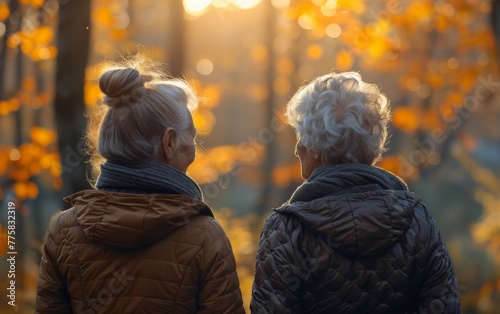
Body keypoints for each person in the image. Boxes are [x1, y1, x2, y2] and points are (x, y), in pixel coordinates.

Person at [35, 55, 244, 313]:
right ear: (169, 143)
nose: (194, 147)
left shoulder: (63, 231)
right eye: (192, 136)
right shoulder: (205, 237)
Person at [251, 72, 460, 313]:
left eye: (301, 137)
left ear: (315, 148)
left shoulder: (287, 230)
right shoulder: (418, 221)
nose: (298, 149)